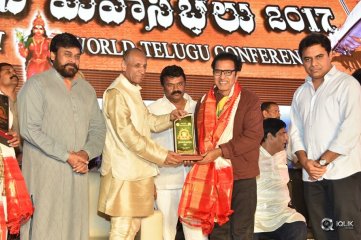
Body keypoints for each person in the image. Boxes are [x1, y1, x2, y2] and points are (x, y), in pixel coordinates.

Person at [18, 32, 106, 240]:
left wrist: (85, 154)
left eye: (76, 56)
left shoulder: (87, 90)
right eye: (67, 54)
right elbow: (29, 129)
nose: (73, 61)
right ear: (51, 55)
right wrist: (67, 155)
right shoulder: (36, 85)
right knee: (44, 229)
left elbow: (98, 129)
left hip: (77, 173)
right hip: (45, 175)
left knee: (74, 229)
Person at [98, 48, 185, 239]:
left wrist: (170, 117)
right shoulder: (116, 93)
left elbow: (149, 122)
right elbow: (127, 135)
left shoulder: (132, 91)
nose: (142, 70)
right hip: (123, 171)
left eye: (144, 66)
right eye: (137, 65)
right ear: (123, 65)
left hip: (138, 170)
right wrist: (162, 155)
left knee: (133, 227)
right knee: (121, 228)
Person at [178, 51, 264, 240]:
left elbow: (253, 136)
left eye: (227, 72)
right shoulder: (204, 100)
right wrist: (192, 154)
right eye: (218, 72)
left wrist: (220, 151)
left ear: (236, 75)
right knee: (217, 231)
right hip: (211, 175)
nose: (222, 77)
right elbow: (198, 135)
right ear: (213, 73)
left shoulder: (249, 100)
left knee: (241, 232)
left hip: (241, 176)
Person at [290, 33, 361, 240]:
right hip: (311, 177)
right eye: (307, 59)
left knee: (348, 232)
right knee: (322, 232)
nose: (313, 64)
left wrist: (321, 162)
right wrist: (305, 162)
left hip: (344, 174)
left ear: (330, 55)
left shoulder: (347, 85)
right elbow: (295, 132)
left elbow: (351, 129)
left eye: (319, 56)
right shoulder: (300, 93)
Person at [147, 65, 197, 240]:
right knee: (165, 234)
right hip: (164, 181)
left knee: (197, 234)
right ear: (163, 86)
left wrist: (196, 155)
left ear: (185, 83)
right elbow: (145, 148)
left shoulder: (198, 107)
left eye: (180, 84)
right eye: (171, 85)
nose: (176, 89)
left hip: (194, 179)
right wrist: (149, 181)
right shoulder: (152, 111)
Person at [254, 118, 307, 240]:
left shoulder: (283, 152)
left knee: (298, 226)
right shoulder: (252, 155)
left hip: (282, 214)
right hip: (256, 216)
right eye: (282, 134)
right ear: (269, 136)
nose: (286, 138)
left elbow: (299, 160)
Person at [0, 63, 33, 239]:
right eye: (7, 71)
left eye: (14, 71)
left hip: (19, 166)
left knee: (12, 217)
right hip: (3, 166)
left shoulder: (24, 103)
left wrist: (17, 139)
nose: (13, 73)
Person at [17, 12, 52, 80]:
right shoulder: (29, 40)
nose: (38, 30)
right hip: (33, 64)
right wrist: (21, 46)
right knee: (31, 83)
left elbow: (50, 55)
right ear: (33, 30)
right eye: (36, 28)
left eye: (40, 28)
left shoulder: (48, 41)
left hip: (44, 64)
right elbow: (25, 54)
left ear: (43, 30)